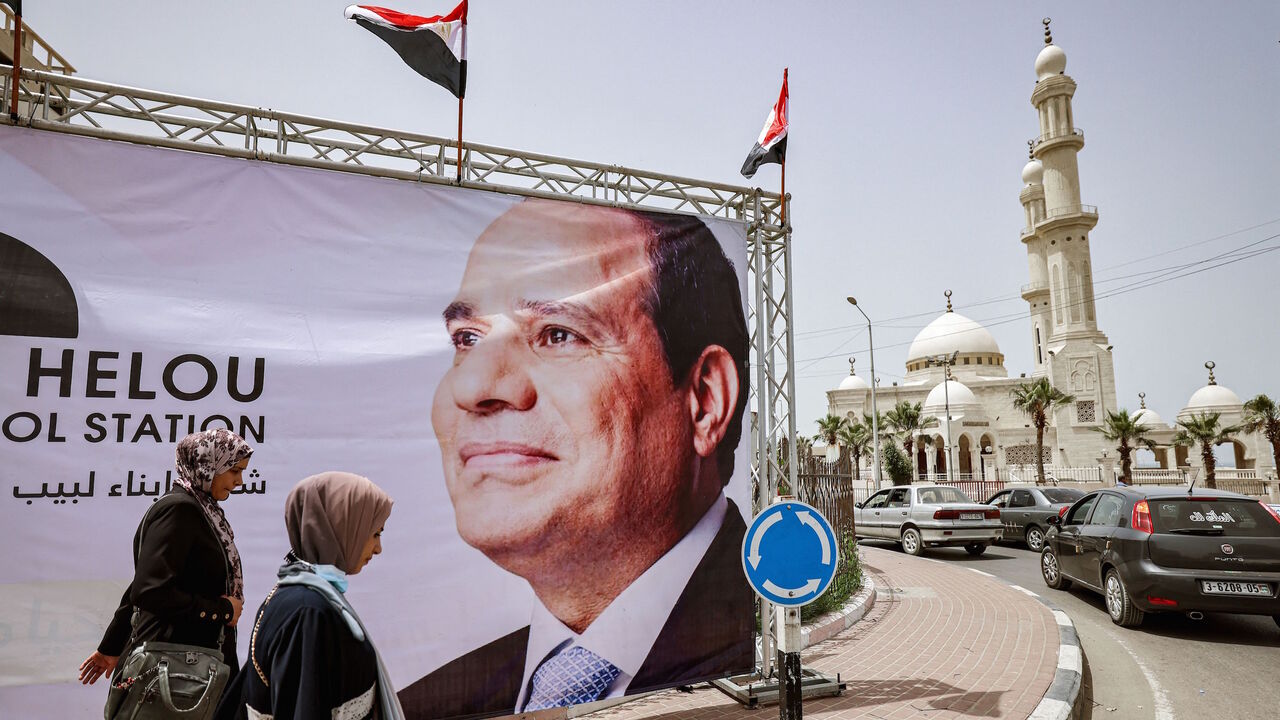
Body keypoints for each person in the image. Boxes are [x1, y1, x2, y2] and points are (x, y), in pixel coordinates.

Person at [398, 199, 755, 719]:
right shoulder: (428, 702)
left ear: (704, 400)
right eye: (466, 339)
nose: (471, 386)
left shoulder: (764, 653)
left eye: (558, 334)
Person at [214, 471, 401, 720]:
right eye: (375, 533)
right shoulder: (308, 612)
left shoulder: (304, 597)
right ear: (343, 529)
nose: (378, 548)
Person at [79, 429, 254, 687]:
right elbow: (150, 590)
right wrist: (221, 611)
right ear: (208, 466)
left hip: (194, 666)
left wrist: (112, 644)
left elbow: (147, 581)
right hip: (178, 671)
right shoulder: (180, 510)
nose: (239, 481)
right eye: (235, 471)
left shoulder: (202, 511)